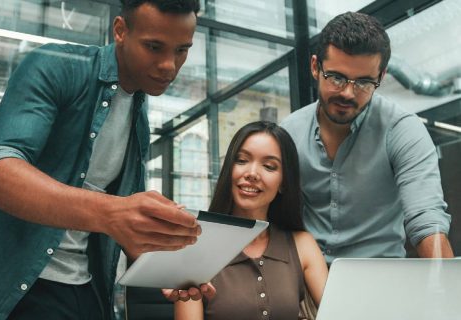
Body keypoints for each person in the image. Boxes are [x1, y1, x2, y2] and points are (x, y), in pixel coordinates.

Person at [0, 1, 215, 319]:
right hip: (13, 289)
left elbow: (128, 230)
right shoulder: (57, 65)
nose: (169, 65)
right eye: (154, 46)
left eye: (182, 50)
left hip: (86, 291)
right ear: (120, 30)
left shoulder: (139, 115)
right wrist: (112, 213)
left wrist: (176, 271)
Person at [281, 11, 454, 264]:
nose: (348, 93)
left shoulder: (403, 130)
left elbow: (426, 218)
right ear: (315, 67)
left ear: (381, 77)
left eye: (363, 82)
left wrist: (444, 287)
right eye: (337, 78)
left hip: (380, 278)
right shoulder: (289, 132)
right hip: (306, 278)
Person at [174, 121, 328, 320]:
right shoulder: (195, 244)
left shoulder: (302, 244)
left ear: (283, 183)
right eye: (241, 160)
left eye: (269, 166)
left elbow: (339, 313)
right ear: (229, 170)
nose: (252, 174)